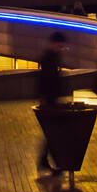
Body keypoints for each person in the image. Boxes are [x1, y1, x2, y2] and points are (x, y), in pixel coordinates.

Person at [36, 32, 67, 173]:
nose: (61, 47)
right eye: (59, 45)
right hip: (49, 100)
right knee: (53, 133)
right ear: (54, 43)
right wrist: (44, 97)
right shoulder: (49, 58)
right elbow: (45, 80)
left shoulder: (52, 57)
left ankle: (47, 161)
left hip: (51, 99)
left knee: (52, 133)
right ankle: (52, 162)